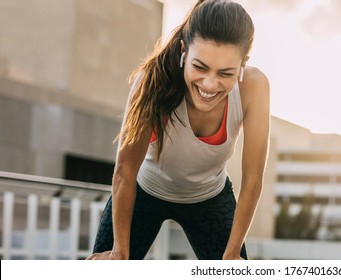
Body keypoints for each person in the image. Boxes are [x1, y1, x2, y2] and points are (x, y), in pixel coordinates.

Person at [86, 0, 269, 260]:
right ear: (184, 50)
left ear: (243, 64)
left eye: (225, 73)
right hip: (144, 192)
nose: (209, 84)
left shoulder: (254, 87)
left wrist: (231, 257)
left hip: (210, 197)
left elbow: (253, 180)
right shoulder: (151, 81)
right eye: (200, 67)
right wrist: (119, 253)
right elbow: (125, 171)